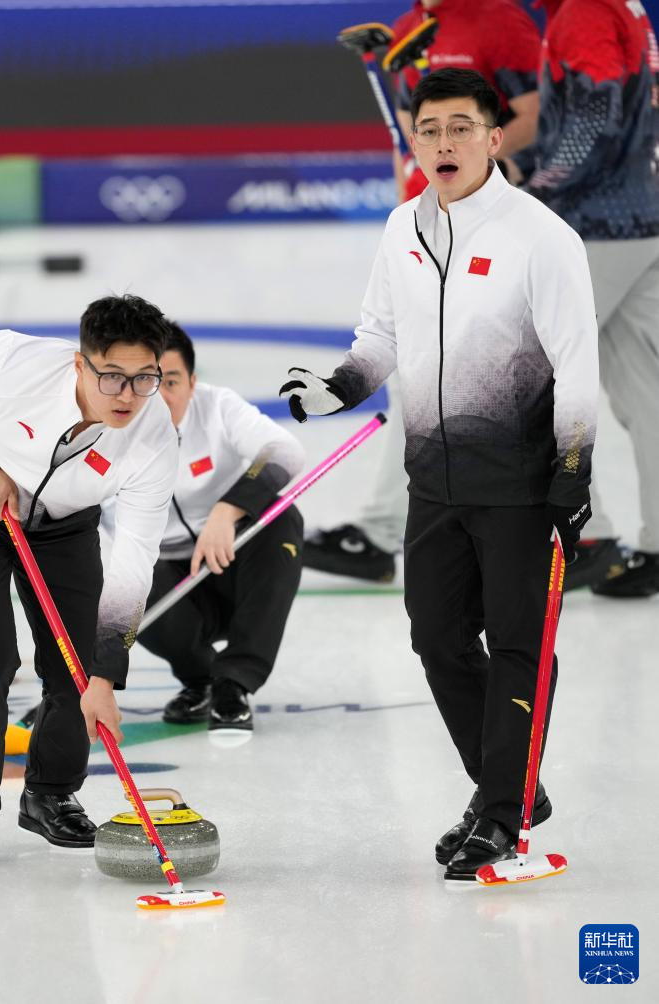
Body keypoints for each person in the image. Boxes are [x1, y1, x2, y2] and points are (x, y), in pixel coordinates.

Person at [280, 68, 598, 878]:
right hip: (434, 479)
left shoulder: (541, 238)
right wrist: (338, 387)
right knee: (437, 638)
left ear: (494, 137)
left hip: (522, 485)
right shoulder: (403, 228)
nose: (444, 143)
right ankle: (507, 787)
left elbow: (576, 364)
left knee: (519, 644)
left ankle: (501, 810)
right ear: (413, 142)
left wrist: (572, 475)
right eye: (430, 130)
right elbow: (380, 334)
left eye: (461, 128)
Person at [0, 294, 179, 868]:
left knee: (76, 668)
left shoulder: (154, 438)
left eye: (144, 378)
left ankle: (51, 795)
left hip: (62, 526)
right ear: (80, 364)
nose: (128, 396)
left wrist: (107, 673)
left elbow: (135, 558)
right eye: (112, 377)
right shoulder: (18, 365)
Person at [303, 0, 544, 585]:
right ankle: (389, 529)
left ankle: (391, 530)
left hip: (493, 217)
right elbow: (410, 134)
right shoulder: (408, 29)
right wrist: (413, 201)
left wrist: (476, 172)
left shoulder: (500, 19)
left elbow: (535, 117)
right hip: (433, 225)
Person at [517, 0, 659, 597]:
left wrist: (536, 182)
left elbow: (597, 112)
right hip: (640, 219)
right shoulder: (619, 5)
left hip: (595, 229)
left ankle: (587, 536)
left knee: (530, 375)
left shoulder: (582, 11)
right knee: (646, 391)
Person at [124, 322, 304, 738]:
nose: (159, 396)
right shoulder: (110, 428)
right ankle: (201, 679)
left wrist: (227, 510)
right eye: (148, 382)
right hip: (170, 580)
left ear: (193, 382)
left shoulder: (218, 406)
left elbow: (285, 451)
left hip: (234, 557)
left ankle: (233, 684)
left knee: (282, 517)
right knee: (126, 587)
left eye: (171, 382)